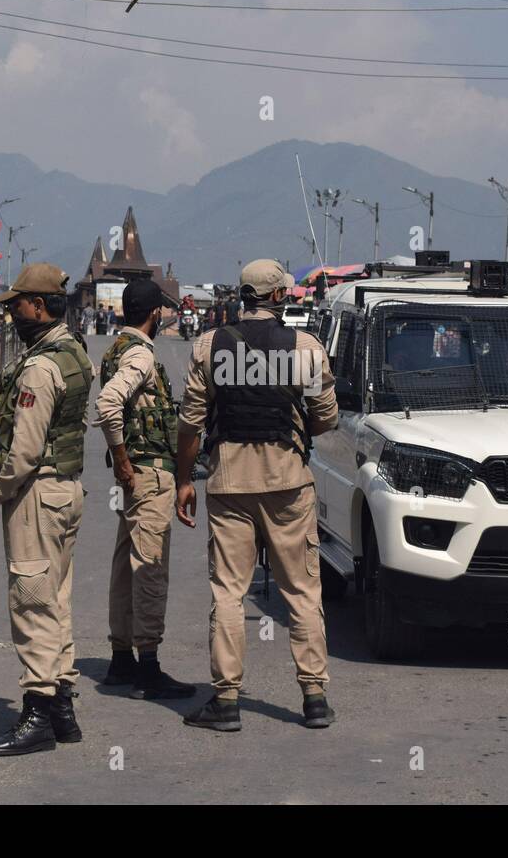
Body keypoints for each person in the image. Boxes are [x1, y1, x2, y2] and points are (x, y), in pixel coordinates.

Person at [175, 259, 339, 732]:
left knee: (228, 592)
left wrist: (185, 479)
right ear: (279, 297)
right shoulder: (306, 348)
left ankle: (225, 702)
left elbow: (190, 422)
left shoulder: (209, 345)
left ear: (243, 296)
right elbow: (325, 417)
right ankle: (314, 698)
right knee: (303, 591)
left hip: (228, 485)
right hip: (289, 485)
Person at [0, 264, 94, 756]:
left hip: (36, 494)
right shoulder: (72, 352)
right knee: (56, 598)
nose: (11, 314)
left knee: (32, 601)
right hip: (64, 491)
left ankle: (38, 713)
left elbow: (21, 453)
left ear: (39, 306)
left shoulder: (40, 367)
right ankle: (62, 708)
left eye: (16, 305)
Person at [94, 279, 195, 700]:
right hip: (148, 476)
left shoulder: (116, 348)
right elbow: (107, 404)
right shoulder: (138, 355)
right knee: (150, 568)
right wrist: (121, 459)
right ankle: (148, 666)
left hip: (134, 478)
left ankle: (121, 657)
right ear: (155, 314)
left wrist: (122, 464)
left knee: (125, 567)